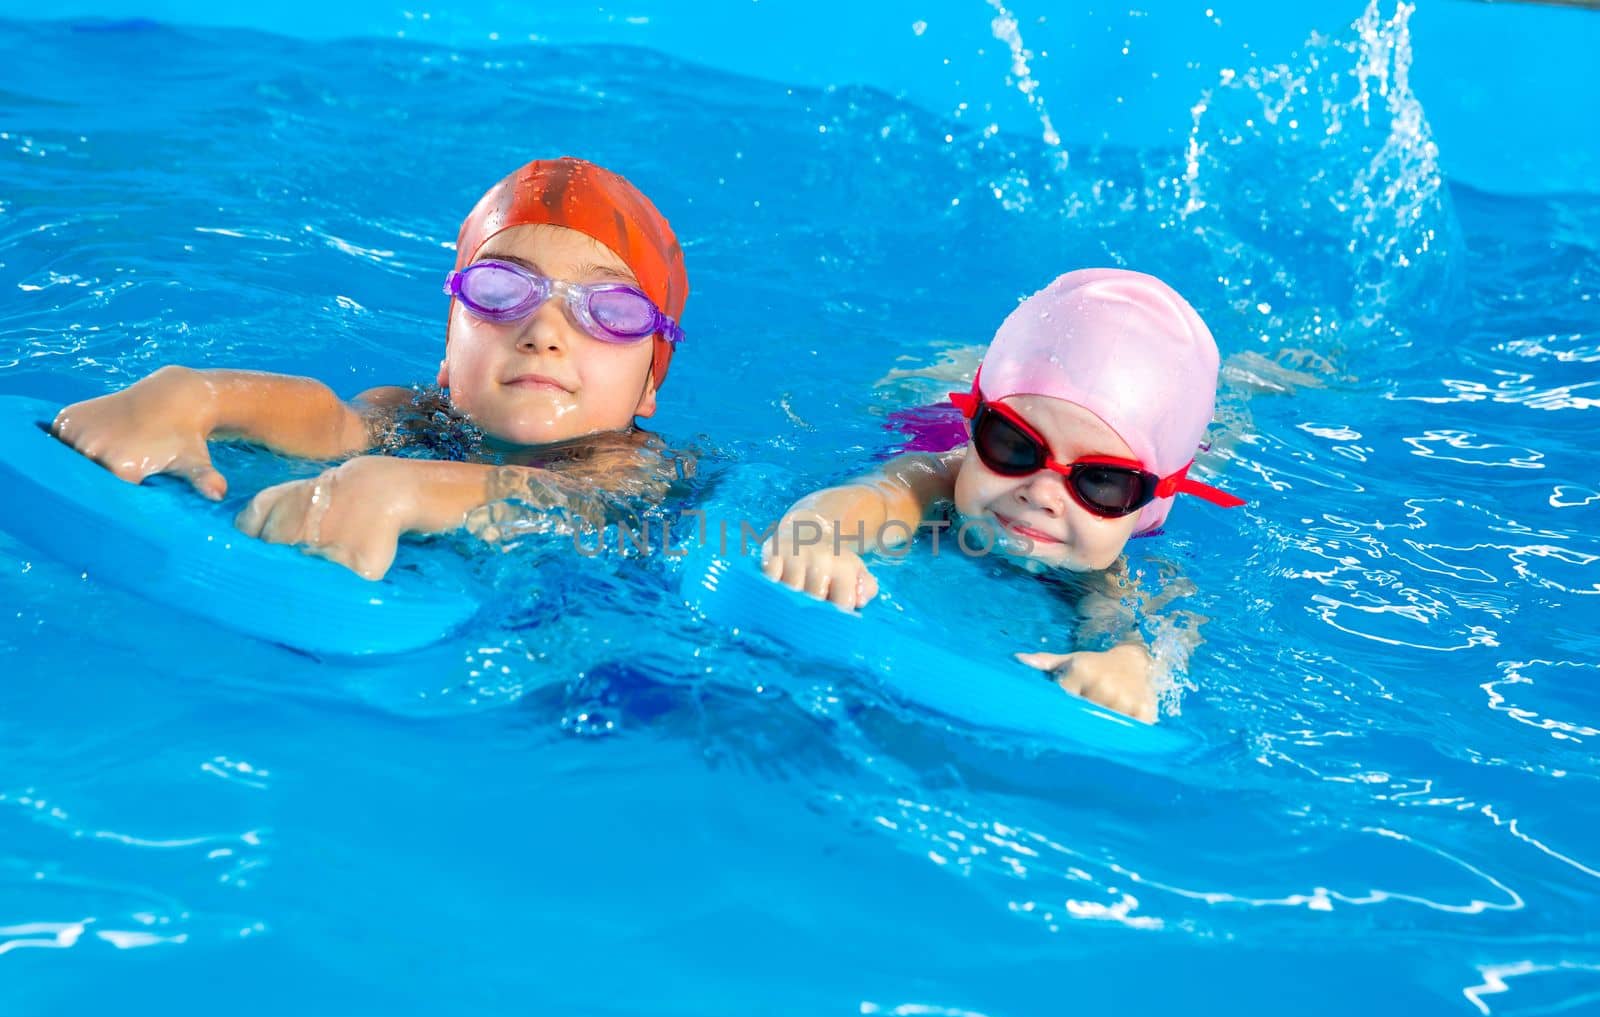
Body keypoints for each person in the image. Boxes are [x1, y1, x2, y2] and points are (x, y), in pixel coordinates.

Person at [51, 157, 688, 579]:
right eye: (499, 291)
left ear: (649, 382)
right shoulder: (421, 418)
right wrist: (193, 394)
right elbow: (331, 421)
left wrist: (407, 488)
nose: (544, 332)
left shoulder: (633, 466)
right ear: (447, 352)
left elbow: (575, 507)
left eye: (612, 311)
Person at [761, 268, 1245, 721]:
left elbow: (1145, 626)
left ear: (1148, 503)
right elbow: (877, 496)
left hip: (1137, 429)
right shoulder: (940, 476)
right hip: (942, 416)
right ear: (976, 426)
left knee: (1223, 431)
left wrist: (1128, 663)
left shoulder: (1117, 560)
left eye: (1102, 481)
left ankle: (1258, 378)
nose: (1042, 494)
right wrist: (816, 537)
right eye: (1013, 444)